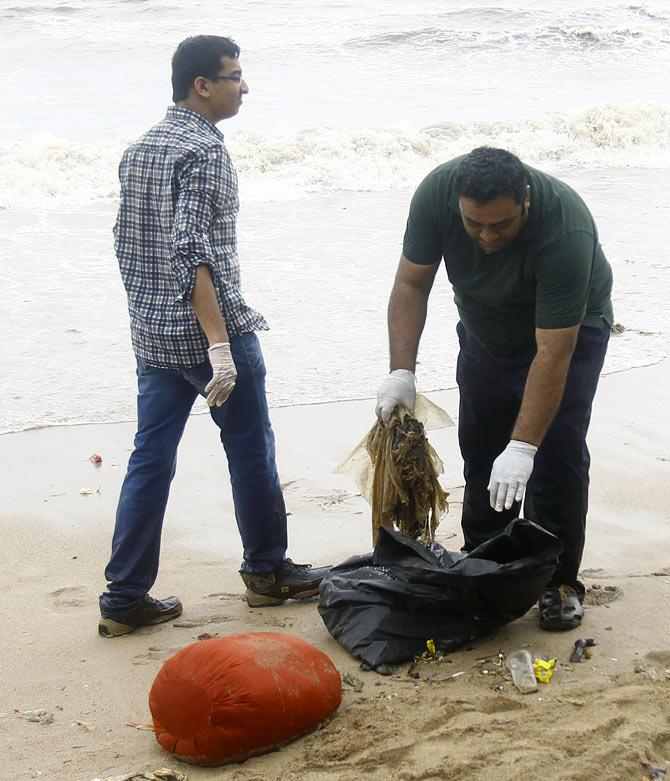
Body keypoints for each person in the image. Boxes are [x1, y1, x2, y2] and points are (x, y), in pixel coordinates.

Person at [99, 35, 329, 638]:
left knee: (150, 458)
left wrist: (147, 320)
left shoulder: (140, 148)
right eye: (235, 75)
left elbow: (126, 243)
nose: (244, 86)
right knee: (250, 449)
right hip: (209, 331)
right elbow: (190, 248)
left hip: (154, 335)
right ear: (202, 85)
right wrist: (219, 345)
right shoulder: (205, 151)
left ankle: (123, 598)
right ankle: (267, 573)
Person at [376, 147, 613, 631]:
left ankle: (558, 580)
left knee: (554, 454)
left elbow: (552, 352)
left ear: (524, 200)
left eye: (500, 225)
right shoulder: (436, 194)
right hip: (484, 329)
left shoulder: (565, 227)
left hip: (568, 333)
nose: (486, 236)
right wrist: (402, 372)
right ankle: (485, 560)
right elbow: (411, 283)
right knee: (482, 448)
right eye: (473, 224)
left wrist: (525, 444)